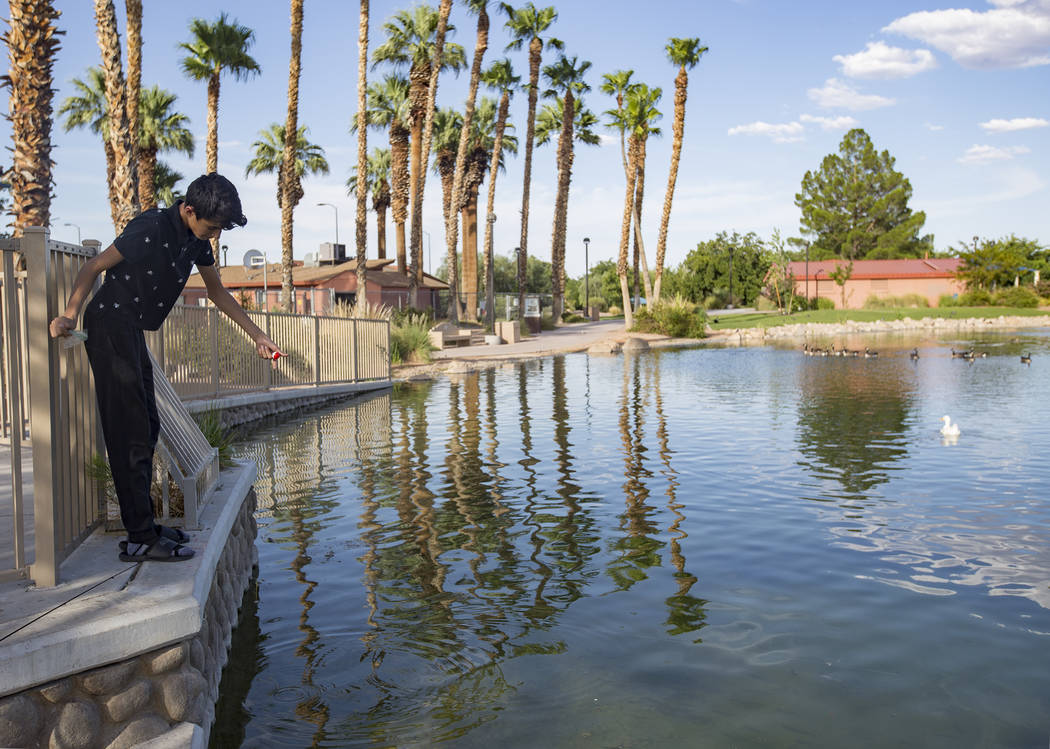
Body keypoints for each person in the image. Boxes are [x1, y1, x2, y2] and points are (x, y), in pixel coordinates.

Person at [49, 173, 282, 562]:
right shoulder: (151, 227)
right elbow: (93, 268)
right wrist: (70, 314)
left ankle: (145, 527)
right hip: (108, 326)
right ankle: (140, 538)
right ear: (189, 210)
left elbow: (217, 292)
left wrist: (257, 335)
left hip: (130, 330)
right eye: (211, 227)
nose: (213, 235)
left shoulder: (196, 241)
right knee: (131, 432)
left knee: (149, 426)